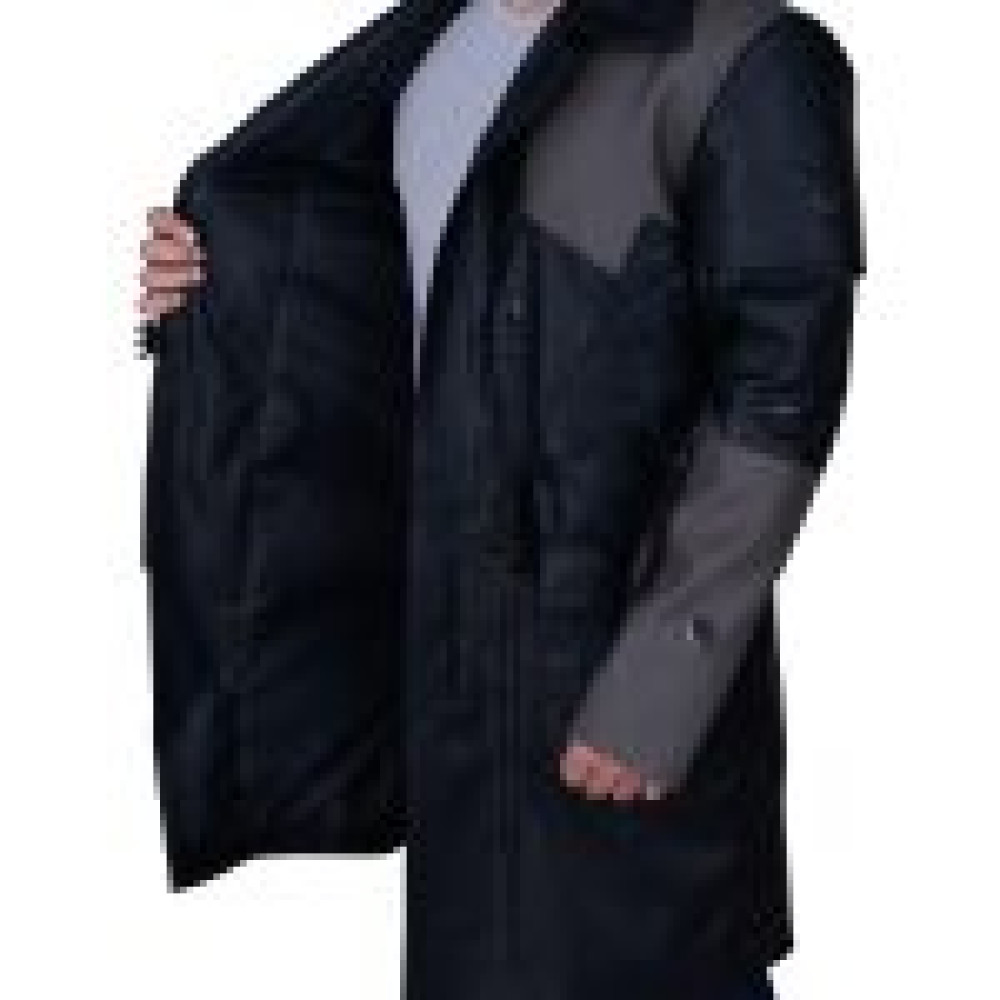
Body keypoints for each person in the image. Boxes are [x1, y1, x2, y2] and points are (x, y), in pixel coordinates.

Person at [138, 0, 864, 997]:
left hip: (607, 662)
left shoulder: (740, 56)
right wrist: (222, 288)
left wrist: (662, 680)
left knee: (653, 966)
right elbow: (386, 299)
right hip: (452, 663)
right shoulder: (433, 46)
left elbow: (778, 400)